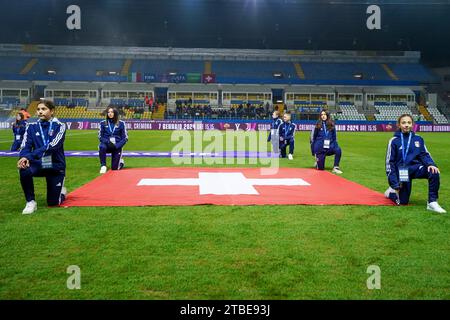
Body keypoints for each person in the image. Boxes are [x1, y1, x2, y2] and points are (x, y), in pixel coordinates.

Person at [385, 114, 446, 213]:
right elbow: (389, 163)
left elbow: (424, 154)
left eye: (409, 122)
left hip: (416, 168)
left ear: (412, 124)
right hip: (402, 171)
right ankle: (391, 192)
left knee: (434, 171)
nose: (406, 125)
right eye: (403, 123)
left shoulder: (418, 139)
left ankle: (432, 202)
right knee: (403, 202)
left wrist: (431, 164)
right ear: (399, 125)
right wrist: (394, 183)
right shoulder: (394, 141)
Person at [17, 100, 67, 214]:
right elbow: (25, 146)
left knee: (53, 203)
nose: (40, 112)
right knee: (23, 167)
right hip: (40, 164)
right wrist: (24, 157)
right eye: (38, 109)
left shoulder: (60, 126)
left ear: (52, 111)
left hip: (55, 165)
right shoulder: (31, 127)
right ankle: (30, 202)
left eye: (44, 109)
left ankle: (62, 193)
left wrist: (30, 156)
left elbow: (53, 146)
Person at [311, 110, 343, 174]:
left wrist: (335, 146)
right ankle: (318, 160)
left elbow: (334, 138)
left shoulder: (332, 125)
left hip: (329, 147)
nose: (323, 116)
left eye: (325, 114)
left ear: (327, 115)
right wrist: (314, 150)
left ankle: (336, 167)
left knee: (338, 149)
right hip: (320, 148)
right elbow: (314, 138)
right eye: (322, 114)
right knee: (320, 168)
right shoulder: (318, 125)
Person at [98, 106, 128, 174]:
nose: (110, 113)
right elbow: (100, 136)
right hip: (106, 144)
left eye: (112, 112)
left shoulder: (121, 123)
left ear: (115, 113)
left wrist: (116, 146)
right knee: (102, 147)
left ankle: (121, 162)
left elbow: (125, 138)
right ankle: (103, 166)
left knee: (114, 168)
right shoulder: (103, 123)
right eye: (108, 112)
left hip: (116, 146)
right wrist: (108, 142)